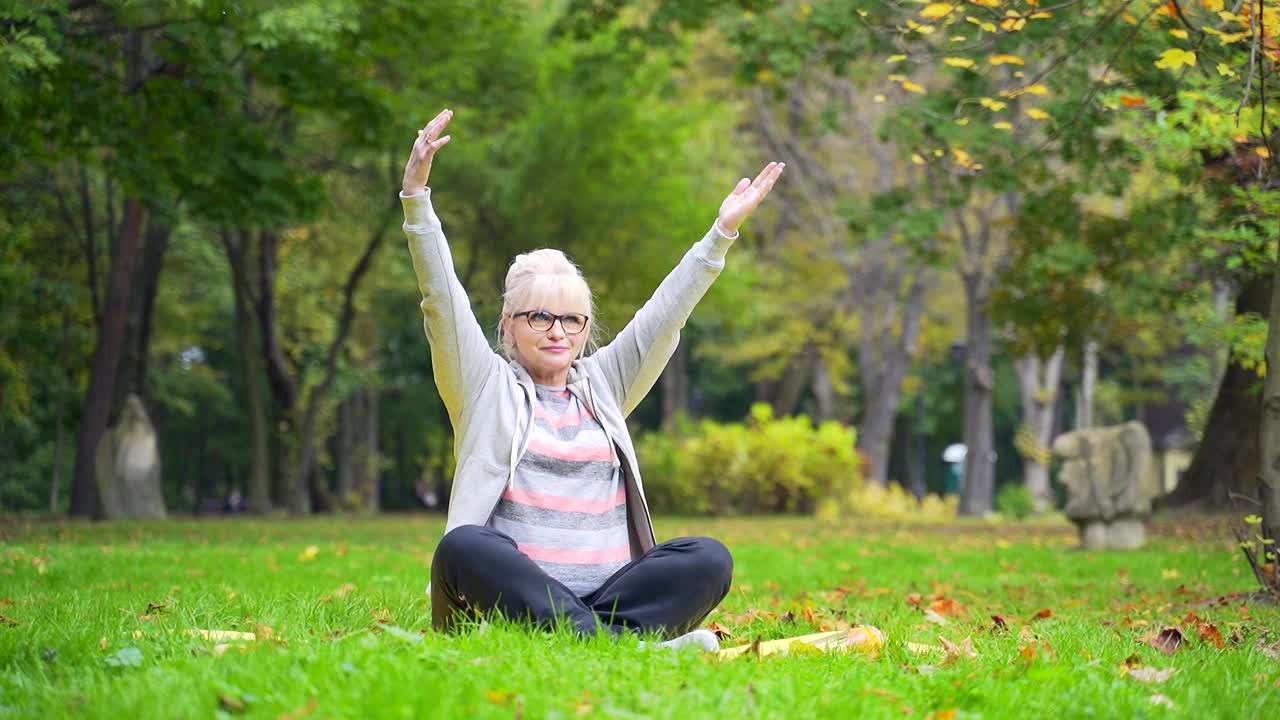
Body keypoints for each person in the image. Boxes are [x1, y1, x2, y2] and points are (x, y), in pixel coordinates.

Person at [402, 108, 784, 651]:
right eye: (540, 316)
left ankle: (591, 638)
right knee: (463, 548)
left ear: (585, 327)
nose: (558, 331)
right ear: (509, 325)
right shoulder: (482, 385)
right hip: (510, 600)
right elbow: (441, 300)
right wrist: (417, 199)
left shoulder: (603, 383)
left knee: (708, 558)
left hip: (608, 594)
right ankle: (626, 648)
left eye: (572, 319)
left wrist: (721, 234)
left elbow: (665, 315)